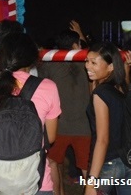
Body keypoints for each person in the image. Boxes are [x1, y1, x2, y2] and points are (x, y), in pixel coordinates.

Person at [0, 31, 61, 194]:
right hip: (35, 181)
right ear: (32, 58)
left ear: (1, 57)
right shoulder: (48, 87)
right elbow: (51, 137)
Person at [84, 41, 131, 195]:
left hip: (109, 163)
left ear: (110, 66)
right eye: (87, 61)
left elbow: (103, 140)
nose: (88, 66)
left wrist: (91, 182)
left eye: (94, 62)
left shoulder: (101, 94)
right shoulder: (121, 87)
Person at [40, 29, 91, 195]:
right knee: (87, 168)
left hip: (58, 126)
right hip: (84, 126)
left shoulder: (49, 64)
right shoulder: (87, 63)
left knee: (53, 163)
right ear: (76, 45)